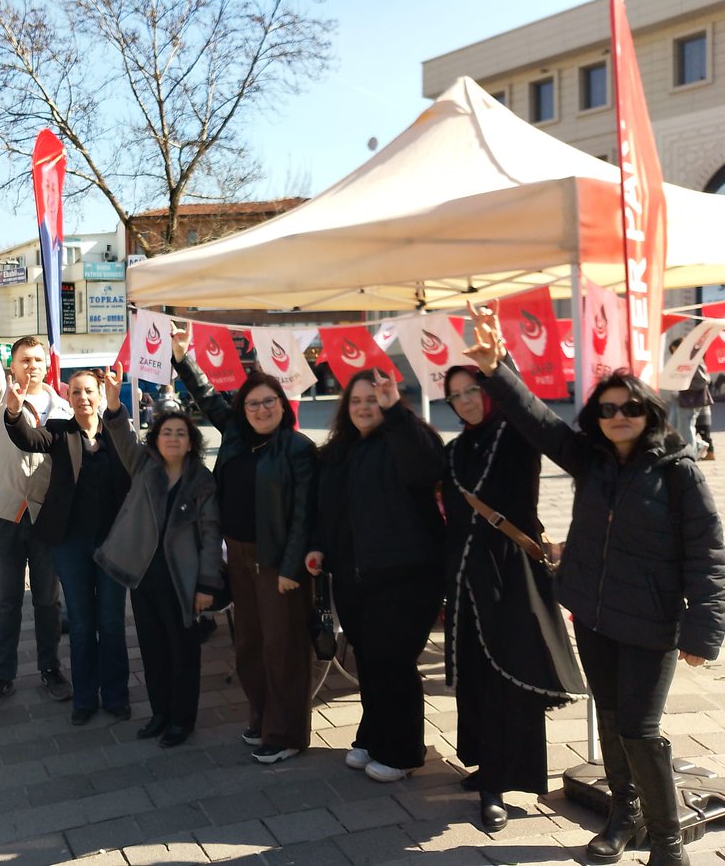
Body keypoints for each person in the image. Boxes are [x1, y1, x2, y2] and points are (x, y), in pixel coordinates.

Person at [465, 302, 725, 866]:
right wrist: (496, 368)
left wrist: (703, 632)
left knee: (640, 727)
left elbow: (708, 554)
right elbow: (537, 420)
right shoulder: (591, 461)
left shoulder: (678, 471)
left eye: (630, 407)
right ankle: (624, 814)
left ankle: (666, 841)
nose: (618, 415)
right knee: (611, 719)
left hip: (652, 623)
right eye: (608, 408)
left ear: (649, 412)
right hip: (593, 614)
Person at [440, 364, 586, 831]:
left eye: (472, 390)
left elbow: (533, 414)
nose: (464, 400)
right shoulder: (457, 448)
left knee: (511, 676)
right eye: (455, 395)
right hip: (466, 579)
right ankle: (486, 763)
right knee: (476, 676)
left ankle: (499, 784)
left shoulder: (516, 435)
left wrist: (499, 364)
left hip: (511, 574)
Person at [171, 322, 317, 765]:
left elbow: (305, 515)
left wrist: (292, 568)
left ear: (282, 404)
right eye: (252, 403)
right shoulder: (236, 435)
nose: (260, 409)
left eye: (268, 401)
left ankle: (286, 731)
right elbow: (207, 396)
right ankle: (260, 718)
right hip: (238, 557)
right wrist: (182, 355)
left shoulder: (298, 448)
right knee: (249, 645)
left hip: (278, 564)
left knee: (282, 647)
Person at [306, 370, 445, 783]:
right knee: (369, 660)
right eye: (357, 401)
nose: (365, 407)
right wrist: (318, 546)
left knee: (394, 662)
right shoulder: (337, 453)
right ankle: (373, 736)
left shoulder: (405, 439)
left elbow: (428, 467)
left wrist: (397, 411)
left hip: (407, 575)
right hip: (353, 576)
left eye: (374, 399)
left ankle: (402, 752)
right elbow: (325, 510)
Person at [94, 366, 222, 748]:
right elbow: (121, 435)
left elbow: (212, 538)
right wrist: (114, 400)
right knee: (151, 648)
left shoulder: (201, 480)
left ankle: (183, 720)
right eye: (166, 432)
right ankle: (160, 713)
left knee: (183, 651)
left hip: (183, 581)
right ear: (156, 438)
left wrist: (206, 584)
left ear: (191, 441)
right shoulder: (144, 467)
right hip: (145, 576)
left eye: (180, 433)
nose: (173, 438)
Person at [4, 368, 131, 726]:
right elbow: (28, 438)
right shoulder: (61, 433)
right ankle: (86, 699)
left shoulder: (118, 433)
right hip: (70, 544)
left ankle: (117, 696)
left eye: (89, 391)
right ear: (69, 397)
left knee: (110, 622)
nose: (83, 398)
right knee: (80, 623)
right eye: (76, 392)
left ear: (101, 393)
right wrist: (14, 413)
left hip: (113, 544)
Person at [0, 290, 73, 711]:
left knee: (48, 601)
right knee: (7, 603)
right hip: (4, 517)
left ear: (48, 365)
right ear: (13, 364)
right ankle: (2, 676)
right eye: (24, 359)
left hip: (48, 519)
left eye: (38, 360)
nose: (32, 366)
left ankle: (51, 669)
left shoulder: (63, 408)